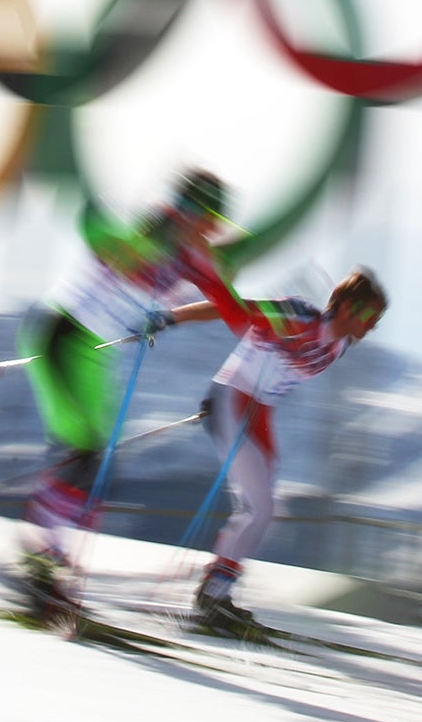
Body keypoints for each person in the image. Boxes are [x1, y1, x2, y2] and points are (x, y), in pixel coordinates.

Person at [15, 169, 254, 620]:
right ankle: (40, 557)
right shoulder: (146, 230)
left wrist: (181, 317)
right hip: (63, 333)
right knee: (82, 452)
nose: (211, 231)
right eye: (207, 220)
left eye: (215, 225)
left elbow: (228, 304)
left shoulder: (191, 257)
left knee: (95, 458)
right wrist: (124, 249)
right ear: (188, 213)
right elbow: (92, 222)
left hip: (94, 352)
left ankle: (49, 556)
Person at [193, 270, 388, 638]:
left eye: (377, 321)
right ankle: (212, 598)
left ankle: (216, 593)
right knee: (259, 507)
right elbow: (229, 307)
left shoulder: (339, 344)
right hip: (233, 400)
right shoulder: (297, 316)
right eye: (369, 316)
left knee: (263, 509)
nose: (373, 326)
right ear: (346, 307)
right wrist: (168, 318)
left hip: (259, 412)